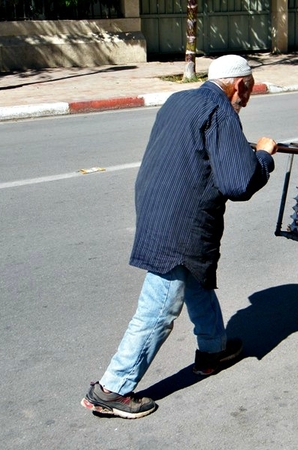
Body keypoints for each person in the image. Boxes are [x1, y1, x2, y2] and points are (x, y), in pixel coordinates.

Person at [81, 55, 277, 419]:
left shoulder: (180, 99)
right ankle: (112, 388)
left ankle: (214, 348)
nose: (247, 100)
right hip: (181, 218)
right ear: (239, 85)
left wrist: (236, 146)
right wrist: (263, 157)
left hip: (157, 201)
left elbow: (198, 150)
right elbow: (238, 182)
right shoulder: (222, 112)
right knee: (161, 306)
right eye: (248, 91)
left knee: (196, 278)